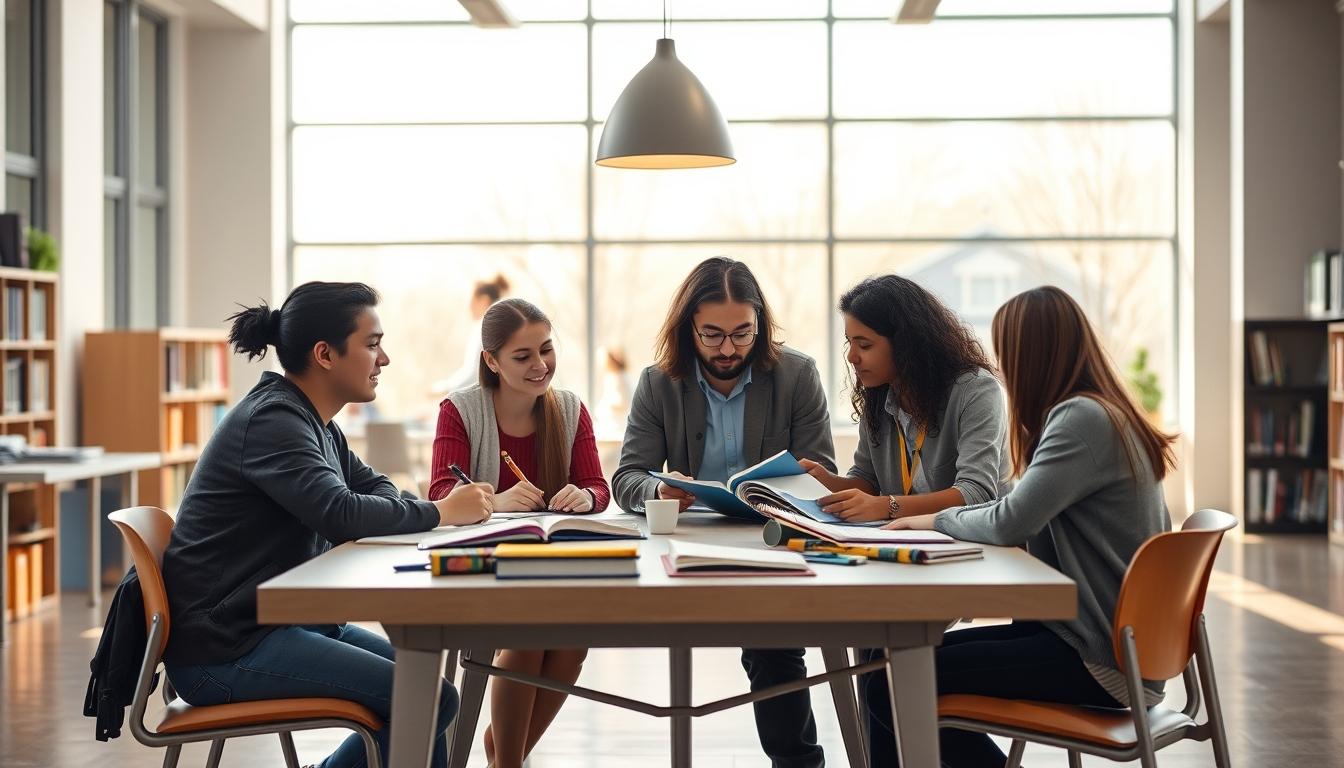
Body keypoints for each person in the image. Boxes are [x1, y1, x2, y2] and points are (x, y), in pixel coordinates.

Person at [161, 282, 495, 768]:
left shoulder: (314, 422)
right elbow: (341, 514)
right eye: (372, 344)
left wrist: (394, 508)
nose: (384, 360)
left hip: (270, 627)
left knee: (430, 691)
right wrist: (442, 511)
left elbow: (373, 488)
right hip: (225, 651)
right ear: (325, 354)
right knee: (426, 698)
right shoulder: (274, 420)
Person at [868, 286, 1177, 766]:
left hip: (1096, 656)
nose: (1003, 368)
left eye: (1005, 351)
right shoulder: (1101, 412)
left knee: (890, 681)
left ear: (1028, 355)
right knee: (892, 667)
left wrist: (934, 520)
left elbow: (1011, 521)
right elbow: (1017, 506)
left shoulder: (1081, 418)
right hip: (1105, 643)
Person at [612, 256, 835, 768]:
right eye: (712, 335)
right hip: (686, 549)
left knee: (774, 645)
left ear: (761, 325)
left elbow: (821, 473)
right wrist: (658, 490)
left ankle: (799, 763)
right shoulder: (658, 382)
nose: (729, 349)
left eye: (742, 334)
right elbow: (626, 479)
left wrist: (798, 482)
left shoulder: (797, 374)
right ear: (687, 327)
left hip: (772, 543)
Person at [428, 297, 610, 768]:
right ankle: (507, 761)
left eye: (546, 349)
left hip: (555, 566)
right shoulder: (459, 409)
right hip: (484, 567)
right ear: (491, 361)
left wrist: (584, 497)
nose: (541, 365)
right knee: (528, 633)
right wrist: (494, 499)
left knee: (572, 644)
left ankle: (503, 753)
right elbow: (442, 491)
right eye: (523, 356)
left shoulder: (570, 409)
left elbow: (598, 486)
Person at [799, 274, 1008, 522]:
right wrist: (826, 482)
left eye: (864, 345)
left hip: (976, 538)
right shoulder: (880, 393)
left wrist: (888, 506)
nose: (851, 357)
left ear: (906, 344)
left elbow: (977, 493)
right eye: (849, 343)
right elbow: (867, 481)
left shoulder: (975, 390)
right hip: (908, 536)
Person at [434, 273, 510, 395]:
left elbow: (475, 372)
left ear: (484, 300)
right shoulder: (503, 324)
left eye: (471, 301)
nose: (469, 307)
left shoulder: (484, 329)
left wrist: (446, 389)